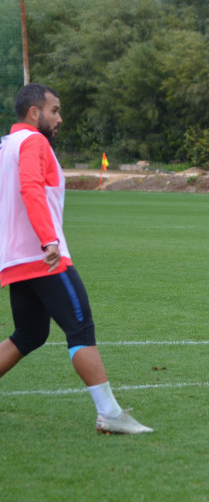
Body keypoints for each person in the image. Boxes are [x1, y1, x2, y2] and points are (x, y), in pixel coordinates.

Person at [0, 83, 152, 434]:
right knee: (80, 329)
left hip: (16, 260)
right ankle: (110, 414)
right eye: (55, 110)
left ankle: (110, 413)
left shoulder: (6, 145)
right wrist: (48, 240)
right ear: (34, 113)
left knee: (29, 334)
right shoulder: (33, 142)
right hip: (44, 258)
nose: (60, 118)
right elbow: (30, 188)